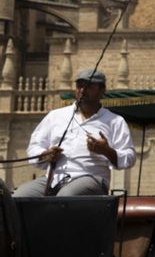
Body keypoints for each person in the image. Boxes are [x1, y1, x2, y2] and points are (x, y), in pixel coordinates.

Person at [14, 69, 136, 197]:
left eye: (89, 87)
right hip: (53, 179)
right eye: (79, 86)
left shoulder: (115, 121)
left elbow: (129, 157)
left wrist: (106, 151)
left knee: (66, 196)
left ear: (102, 90)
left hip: (92, 178)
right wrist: (45, 154)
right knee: (18, 197)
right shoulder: (56, 116)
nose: (82, 90)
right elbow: (34, 146)